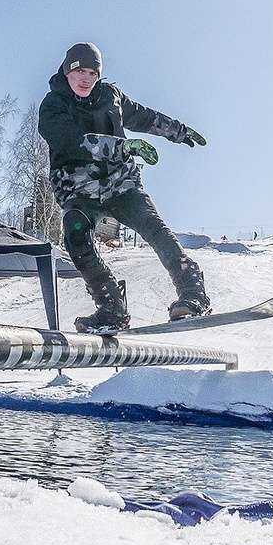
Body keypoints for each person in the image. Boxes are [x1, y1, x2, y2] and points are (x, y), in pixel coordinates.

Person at [37, 42, 210, 332]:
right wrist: (123, 147)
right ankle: (111, 306)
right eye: (80, 71)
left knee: (154, 228)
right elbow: (73, 142)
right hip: (79, 190)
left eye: (93, 73)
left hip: (121, 184)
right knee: (76, 238)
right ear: (67, 71)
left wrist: (178, 131)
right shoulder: (53, 105)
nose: (86, 79)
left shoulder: (110, 96)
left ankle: (192, 292)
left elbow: (144, 117)